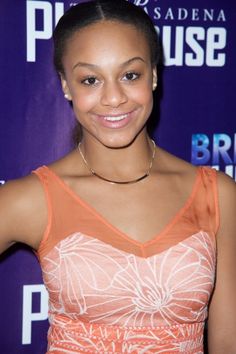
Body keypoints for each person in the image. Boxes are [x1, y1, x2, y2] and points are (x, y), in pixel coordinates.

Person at [0, 0, 235, 353]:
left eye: (130, 75)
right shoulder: (31, 199)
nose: (113, 98)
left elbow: (227, 339)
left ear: (153, 75)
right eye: (90, 79)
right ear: (66, 86)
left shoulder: (217, 194)